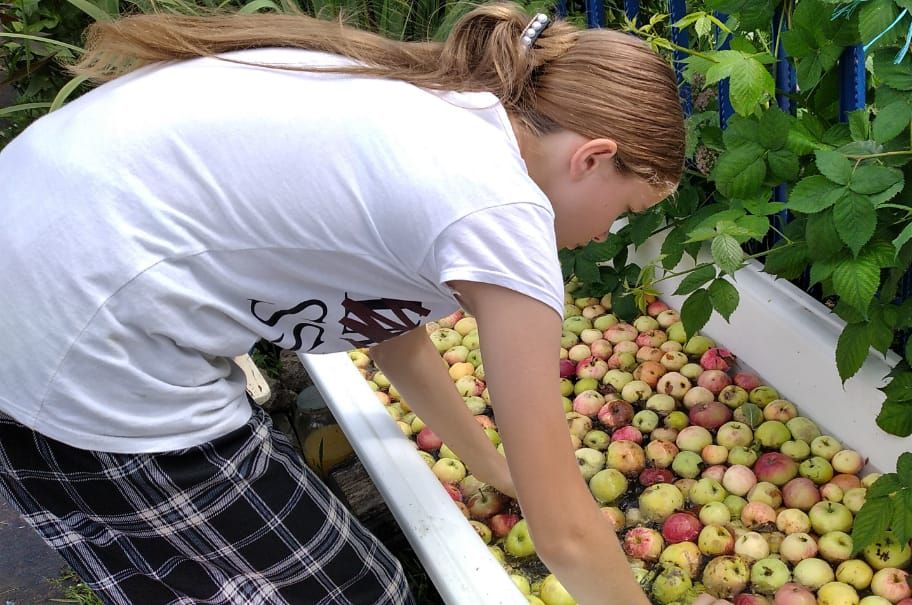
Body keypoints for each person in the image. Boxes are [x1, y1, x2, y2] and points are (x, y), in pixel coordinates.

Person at [0, 2, 684, 604]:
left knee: (175, 568)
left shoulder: (446, 106)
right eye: (626, 209)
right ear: (593, 157)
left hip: (33, 274)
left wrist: (490, 467)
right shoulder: (501, 210)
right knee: (361, 592)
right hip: (81, 337)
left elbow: (396, 337)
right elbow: (564, 531)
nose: (607, 233)